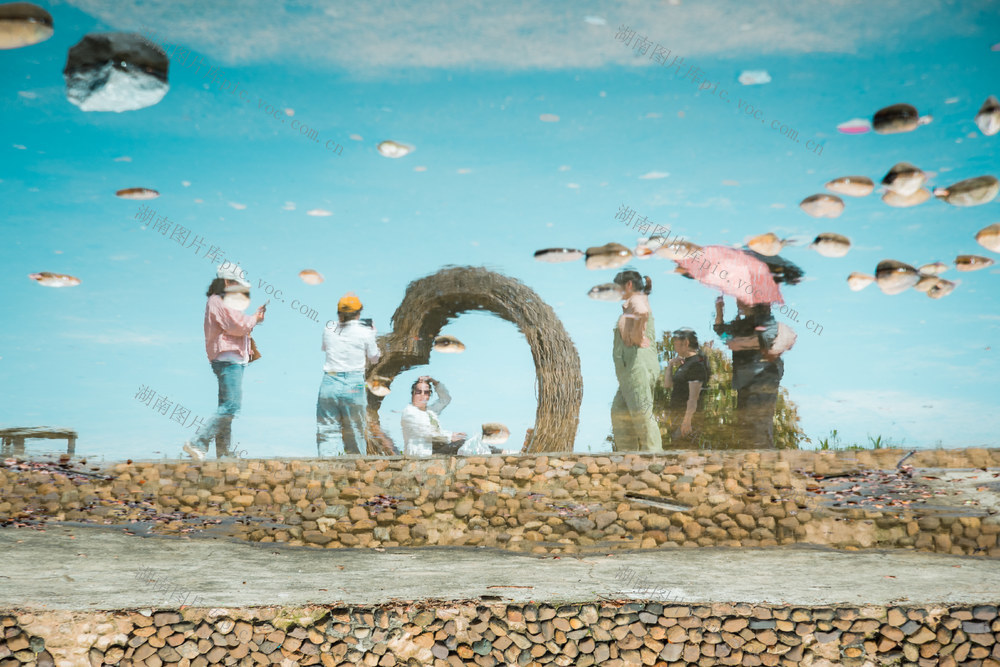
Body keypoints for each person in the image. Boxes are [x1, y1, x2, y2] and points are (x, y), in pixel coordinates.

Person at [183, 264, 265, 461]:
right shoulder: (218, 301)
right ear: (228, 282)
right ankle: (198, 442)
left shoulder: (221, 301)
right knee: (231, 406)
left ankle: (224, 453)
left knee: (226, 407)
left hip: (229, 358)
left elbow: (237, 324)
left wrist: (253, 320)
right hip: (228, 359)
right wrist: (255, 319)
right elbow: (236, 326)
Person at [713, 296, 783, 448]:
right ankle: (750, 461)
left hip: (763, 377)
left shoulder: (766, 320)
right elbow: (722, 333)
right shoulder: (740, 323)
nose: (738, 301)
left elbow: (762, 341)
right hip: (743, 378)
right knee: (745, 422)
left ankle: (764, 461)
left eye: (741, 298)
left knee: (759, 422)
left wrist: (737, 342)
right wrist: (719, 311)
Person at [317, 292, 380, 456]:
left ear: (339, 313)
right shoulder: (365, 332)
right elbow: (374, 358)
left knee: (327, 430)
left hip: (329, 381)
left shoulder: (329, 328)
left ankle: (325, 470)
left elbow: (325, 347)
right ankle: (357, 471)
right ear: (359, 313)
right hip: (354, 382)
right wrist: (373, 333)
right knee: (355, 430)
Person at [610, 269, 663, 452]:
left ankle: (655, 458)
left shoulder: (636, 299)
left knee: (642, 414)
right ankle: (629, 459)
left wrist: (638, 336)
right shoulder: (635, 301)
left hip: (637, 366)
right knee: (619, 412)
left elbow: (642, 312)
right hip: (630, 370)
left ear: (629, 285)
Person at [401, 376, 491, 457]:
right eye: (418, 392)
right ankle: (497, 452)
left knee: (470, 442)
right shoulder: (409, 412)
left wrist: (434, 382)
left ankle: (498, 451)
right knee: (461, 444)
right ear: (413, 393)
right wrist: (450, 436)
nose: (422, 395)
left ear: (429, 395)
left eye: (426, 392)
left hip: (435, 449)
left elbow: (445, 399)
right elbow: (426, 431)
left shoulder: (430, 412)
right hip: (421, 453)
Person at [662, 328, 709, 445]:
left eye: (675, 342)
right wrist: (670, 365)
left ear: (686, 343)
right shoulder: (685, 363)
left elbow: (694, 397)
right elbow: (667, 385)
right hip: (677, 417)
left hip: (688, 419)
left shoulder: (696, 364)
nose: (674, 345)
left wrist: (687, 421)